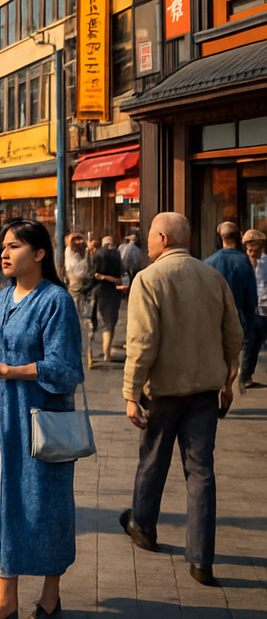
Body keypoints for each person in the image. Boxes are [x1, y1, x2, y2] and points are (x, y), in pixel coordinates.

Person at [0, 218, 83, 619]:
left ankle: (51, 596)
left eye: (13, 246)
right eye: (2, 246)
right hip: (1, 426)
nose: (3, 253)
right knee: (2, 505)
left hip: (40, 424)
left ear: (39, 253)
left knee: (45, 508)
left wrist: (17, 372)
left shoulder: (56, 301)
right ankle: (6, 600)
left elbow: (67, 369)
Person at [119, 212, 241, 588]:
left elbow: (142, 343)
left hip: (165, 392)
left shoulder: (149, 278)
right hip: (205, 391)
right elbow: (233, 333)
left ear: (163, 239)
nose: (148, 242)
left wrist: (130, 392)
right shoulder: (212, 276)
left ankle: (143, 525)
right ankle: (201, 560)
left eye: (150, 236)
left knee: (153, 459)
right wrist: (228, 376)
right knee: (201, 472)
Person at [203, 222, 257, 341]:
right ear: (238, 237)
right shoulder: (243, 261)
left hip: (213, 324)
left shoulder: (208, 262)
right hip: (238, 323)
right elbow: (251, 296)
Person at [237, 229, 267, 393]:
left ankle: (248, 375)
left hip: (263, 309)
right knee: (249, 343)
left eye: (252, 244)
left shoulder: (265, 262)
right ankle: (244, 376)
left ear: (260, 245)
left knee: (257, 343)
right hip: (249, 310)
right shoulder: (243, 262)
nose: (249, 248)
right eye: (247, 245)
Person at [90, 237, 124, 366]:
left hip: (97, 292)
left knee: (94, 323)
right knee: (110, 324)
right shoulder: (117, 255)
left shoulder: (96, 255)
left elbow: (92, 273)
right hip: (113, 293)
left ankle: (90, 352)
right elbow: (122, 274)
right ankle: (107, 353)